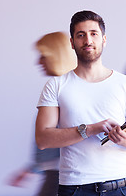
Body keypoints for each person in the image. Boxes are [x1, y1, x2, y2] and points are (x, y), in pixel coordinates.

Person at [35, 10, 126, 196]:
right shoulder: (56, 85)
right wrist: (91, 129)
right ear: (72, 43)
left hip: (120, 187)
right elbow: (42, 139)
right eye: (81, 35)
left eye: (93, 34)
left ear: (104, 39)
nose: (88, 40)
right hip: (75, 188)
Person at [8, 32, 77, 196]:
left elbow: (64, 137)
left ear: (56, 56)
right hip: (57, 177)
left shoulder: (65, 91)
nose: (38, 62)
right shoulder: (60, 88)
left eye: (43, 56)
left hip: (62, 180)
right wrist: (32, 169)